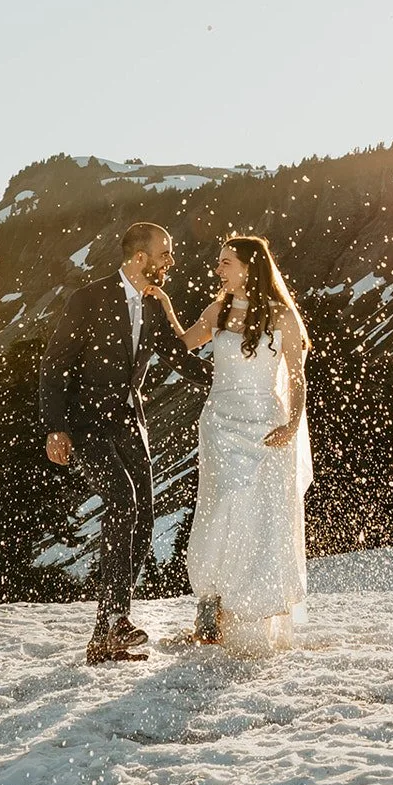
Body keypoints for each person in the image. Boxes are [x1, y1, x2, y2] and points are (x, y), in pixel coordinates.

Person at [39, 222, 212, 665]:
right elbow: (55, 364)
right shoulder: (89, 298)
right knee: (122, 502)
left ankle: (106, 633)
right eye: (164, 253)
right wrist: (55, 427)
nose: (170, 261)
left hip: (131, 423)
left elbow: (177, 357)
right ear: (140, 257)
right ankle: (115, 619)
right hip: (86, 424)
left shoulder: (153, 306)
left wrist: (228, 387)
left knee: (145, 516)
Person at [145, 234, 312, 654]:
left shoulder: (281, 317)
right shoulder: (217, 310)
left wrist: (292, 423)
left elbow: (295, 377)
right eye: (219, 262)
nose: (218, 270)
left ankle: (246, 612)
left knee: (259, 514)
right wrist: (163, 306)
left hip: (266, 424)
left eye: (226, 263)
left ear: (249, 267)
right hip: (219, 422)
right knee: (218, 507)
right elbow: (182, 345)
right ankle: (210, 602)